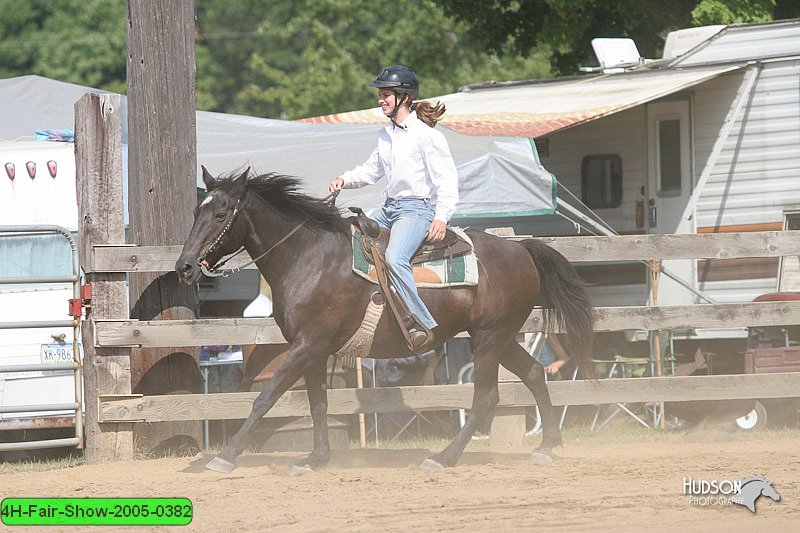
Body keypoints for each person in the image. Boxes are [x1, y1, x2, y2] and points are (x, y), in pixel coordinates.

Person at [329, 65, 459, 350]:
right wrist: (344, 179)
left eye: (385, 94)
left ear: (404, 97)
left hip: (416, 211)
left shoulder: (427, 136)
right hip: (389, 208)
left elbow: (447, 180)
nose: (380, 100)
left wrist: (441, 217)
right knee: (352, 244)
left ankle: (421, 323)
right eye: (381, 94)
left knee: (395, 257)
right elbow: (371, 170)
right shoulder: (385, 134)